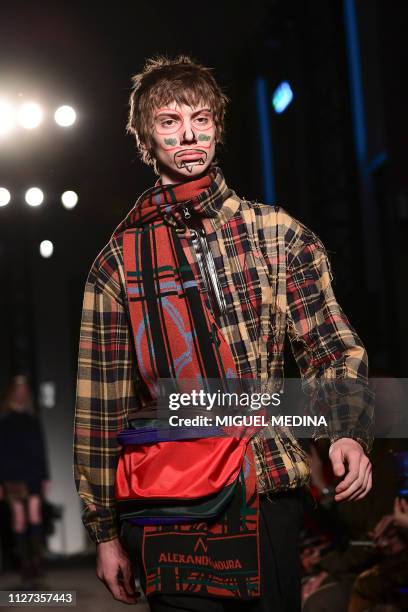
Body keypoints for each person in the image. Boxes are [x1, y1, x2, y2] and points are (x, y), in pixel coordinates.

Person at [73, 55, 373, 611]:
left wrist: (346, 431)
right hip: (167, 500)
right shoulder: (118, 263)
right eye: (169, 121)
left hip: (263, 485)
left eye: (201, 119)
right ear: (147, 138)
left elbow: (329, 345)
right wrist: (105, 532)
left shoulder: (278, 236)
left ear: (216, 127)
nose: (188, 135)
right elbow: (100, 408)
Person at [0, 375, 50, 585]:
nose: (21, 393)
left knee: (35, 515)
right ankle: (24, 566)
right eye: (17, 390)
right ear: (13, 392)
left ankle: (35, 563)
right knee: (19, 518)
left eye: (24, 390)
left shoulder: (32, 418)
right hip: (12, 475)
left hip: (33, 473)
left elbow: (41, 448)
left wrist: (45, 476)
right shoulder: (5, 420)